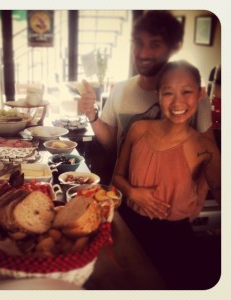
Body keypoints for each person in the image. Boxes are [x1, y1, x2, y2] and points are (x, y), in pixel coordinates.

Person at [112, 60, 221, 289]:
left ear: (200, 94)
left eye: (187, 92)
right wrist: (133, 192)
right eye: (168, 93)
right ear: (158, 94)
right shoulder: (138, 129)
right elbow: (116, 178)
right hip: (130, 227)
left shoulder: (205, 147)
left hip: (175, 237)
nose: (178, 102)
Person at [79, 10, 214, 153]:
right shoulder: (119, 90)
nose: (143, 53)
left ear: (173, 48)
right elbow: (111, 143)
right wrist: (91, 114)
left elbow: (210, 153)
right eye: (138, 43)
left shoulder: (192, 96)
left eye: (155, 45)